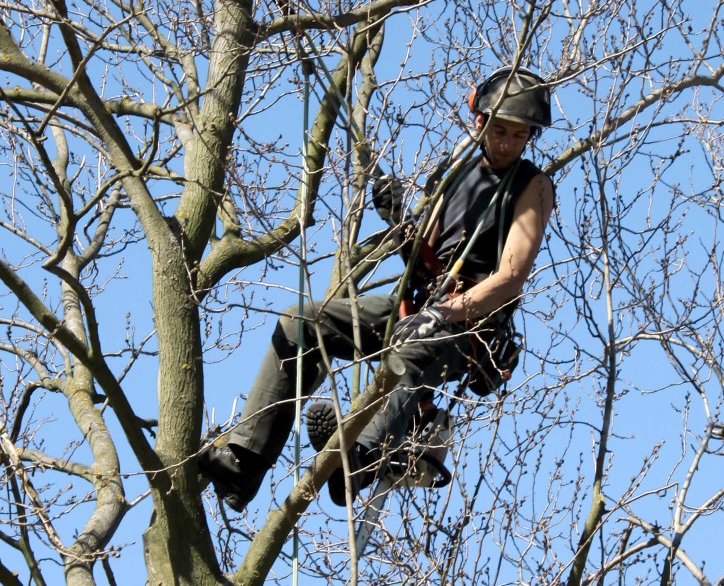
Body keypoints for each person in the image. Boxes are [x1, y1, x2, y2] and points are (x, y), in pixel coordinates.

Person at [199, 67, 556, 511]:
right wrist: (399, 219)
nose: (507, 143)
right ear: (479, 120)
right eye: (500, 130)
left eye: (519, 136)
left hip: (467, 324)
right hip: (417, 305)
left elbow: (510, 277)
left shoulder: (533, 186)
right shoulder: (454, 172)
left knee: (412, 354)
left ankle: (361, 456)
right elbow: (423, 258)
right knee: (302, 322)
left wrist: (442, 315)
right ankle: (244, 461)